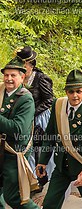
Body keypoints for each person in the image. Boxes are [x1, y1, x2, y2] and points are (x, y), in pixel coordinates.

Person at [37, 69, 82, 209]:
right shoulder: (58, 105)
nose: (75, 95)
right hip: (62, 166)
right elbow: (50, 135)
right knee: (49, 206)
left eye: (79, 91)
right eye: (71, 91)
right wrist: (42, 161)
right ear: (66, 91)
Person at [0, 57, 40, 209]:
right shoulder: (1, 91)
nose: (9, 79)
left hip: (14, 153)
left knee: (14, 197)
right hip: (1, 150)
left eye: (13, 75)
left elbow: (18, 129)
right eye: (6, 75)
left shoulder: (25, 98)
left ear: (22, 77)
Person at [16, 46, 54, 187]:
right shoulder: (18, 78)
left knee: (38, 148)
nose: (21, 67)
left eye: (24, 64)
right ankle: (27, 178)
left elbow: (49, 100)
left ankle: (39, 178)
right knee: (25, 148)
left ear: (31, 64)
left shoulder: (41, 79)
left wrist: (32, 112)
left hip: (39, 118)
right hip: (24, 119)